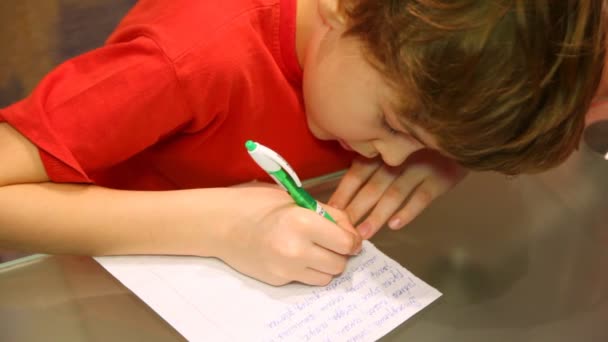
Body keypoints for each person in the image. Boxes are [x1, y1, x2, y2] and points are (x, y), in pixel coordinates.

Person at [0, 0, 604, 286]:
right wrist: (214, 228)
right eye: (396, 125)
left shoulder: (398, 58)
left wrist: (450, 151)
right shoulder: (188, 58)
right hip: (105, 279)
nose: (391, 158)